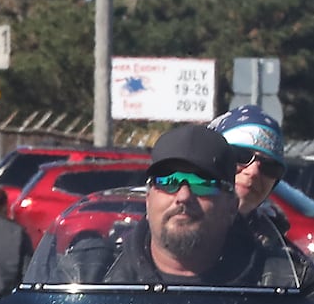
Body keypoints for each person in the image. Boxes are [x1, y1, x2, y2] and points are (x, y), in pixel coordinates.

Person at [101, 123, 308, 287]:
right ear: (148, 198)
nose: (183, 196)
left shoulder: (289, 285)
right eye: (169, 182)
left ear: (231, 206)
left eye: (203, 184)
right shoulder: (87, 276)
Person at [208, 105, 306, 258]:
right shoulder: (168, 227)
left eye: (270, 167)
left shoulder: (288, 265)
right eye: (240, 155)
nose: (253, 172)